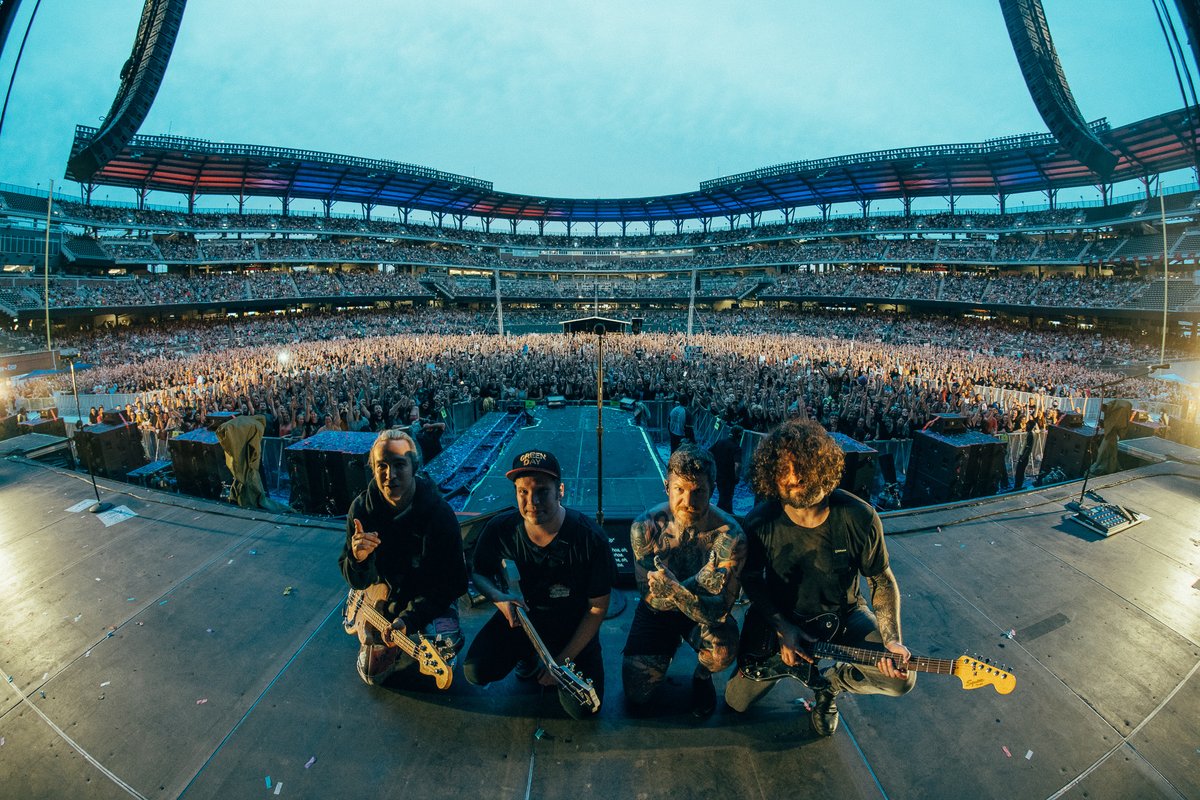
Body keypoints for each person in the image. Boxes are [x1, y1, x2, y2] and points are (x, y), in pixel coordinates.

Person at [725, 419, 915, 736]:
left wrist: (892, 638)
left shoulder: (860, 516)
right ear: (771, 474)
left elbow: (881, 581)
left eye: (803, 467)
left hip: (843, 615)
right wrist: (782, 627)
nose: (795, 477)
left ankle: (829, 686)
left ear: (823, 466)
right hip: (778, 620)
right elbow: (752, 580)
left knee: (900, 679)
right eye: (784, 469)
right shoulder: (760, 521)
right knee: (735, 703)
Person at [463, 449, 616, 719]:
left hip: (572, 626)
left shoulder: (590, 539)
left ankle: (552, 656)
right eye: (522, 491)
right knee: (476, 671)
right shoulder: (501, 528)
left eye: (542, 491)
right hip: (523, 621)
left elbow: (597, 609)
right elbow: (480, 574)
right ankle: (528, 655)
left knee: (584, 709)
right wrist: (499, 598)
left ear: (561, 491)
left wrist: (562, 661)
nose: (532, 501)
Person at [622, 445, 746, 717]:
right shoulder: (645, 528)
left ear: (712, 489)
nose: (688, 501)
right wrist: (697, 583)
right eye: (680, 489)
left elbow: (720, 610)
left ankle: (702, 676)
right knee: (637, 693)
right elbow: (651, 599)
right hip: (658, 613)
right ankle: (668, 645)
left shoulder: (730, 535)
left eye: (698, 491)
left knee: (722, 649)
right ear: (667, 487)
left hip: (702, 615)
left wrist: (675, 590)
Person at [339, 429, 467, 686]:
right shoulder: (361, 509)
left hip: (426, 591)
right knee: (372, 675)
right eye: (382, 466)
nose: (390, 475)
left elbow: (454, 583)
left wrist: (410, 619)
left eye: (399, 465)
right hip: (384, 591)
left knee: (445, 646)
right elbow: (355, 579)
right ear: (373, 468)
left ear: (414, 466)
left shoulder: (439, 515)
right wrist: (358, 560)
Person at [707, 425, 743, 514]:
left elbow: (708, 453)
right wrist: (736, 477)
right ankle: (719, 515)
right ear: (739, 436)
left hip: (718, 475)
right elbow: (738, 465)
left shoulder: (720, 442)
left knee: (725, 497)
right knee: (725, 498)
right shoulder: (736, 448)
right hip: (729, 478)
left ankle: (729, 512)